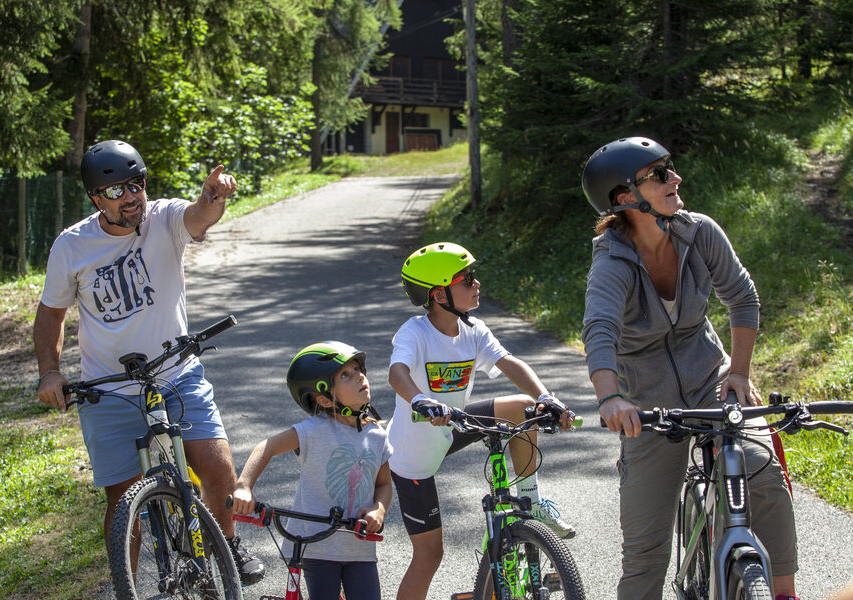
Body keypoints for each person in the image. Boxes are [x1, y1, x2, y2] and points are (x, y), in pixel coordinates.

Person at [33, 139, 265, 585]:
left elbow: (198, 217)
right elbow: (50, 315)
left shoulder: (163, 217)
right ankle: (129, 585)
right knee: (122, 500)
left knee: (217, 470)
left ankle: (230, 543)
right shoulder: (72, 246)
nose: (131, 197)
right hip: (109, 388)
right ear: (96, 199)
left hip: (176, 372)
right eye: (116, 191)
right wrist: (50, 371)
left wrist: (211, 198)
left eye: (136, 184)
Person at [581, 136, 799, 600]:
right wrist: (610, 397)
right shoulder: (612, 261)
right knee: (645, 551)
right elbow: (600, 331)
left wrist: (738, 372)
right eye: (659, 175)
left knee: (764, 478)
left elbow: (742, 297)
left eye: (670, 168)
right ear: (626, 198)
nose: (675, 178)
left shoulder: (699, 231)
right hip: (646, 401)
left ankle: (784, 594)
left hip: (709, 377)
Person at [387, 241, 576, 600]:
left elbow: (509, 362)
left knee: (523, 406)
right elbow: (397, 374)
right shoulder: (414, 332)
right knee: (430, 555)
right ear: (439, 293)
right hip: (415, 451)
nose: (476, 284)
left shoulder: (473, 328)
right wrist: (422, 399)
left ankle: (530, 498)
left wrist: (547, 397)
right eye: (466, 279)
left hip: (455, 424)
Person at [232, 341, 392, 600]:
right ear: (324, 399)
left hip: (359, 548)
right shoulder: (313, 431)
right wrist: (243, 486)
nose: (360, 376)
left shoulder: (377, 435)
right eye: (345, 375)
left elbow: (384, 484)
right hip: (316, 546)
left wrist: (379, 509)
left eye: (358, 369)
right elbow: (268, 446)